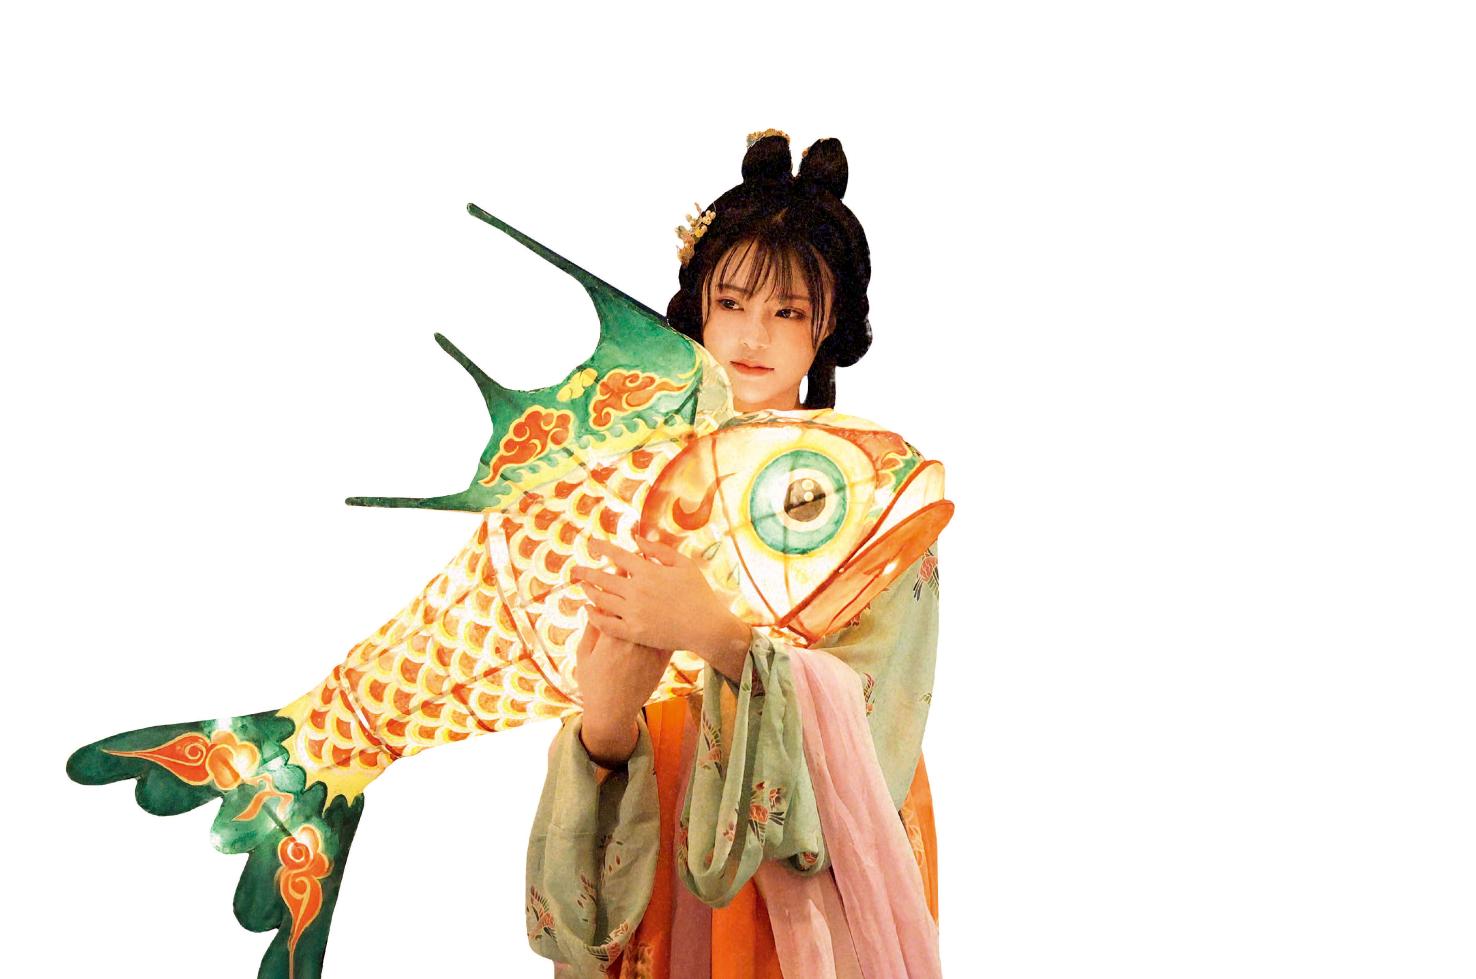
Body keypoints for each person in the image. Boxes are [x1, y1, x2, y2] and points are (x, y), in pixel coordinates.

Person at [525, 130, 943, 978]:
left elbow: (878, 717)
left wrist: (717, 636)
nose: (754, 334)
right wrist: (604, 726)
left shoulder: (873, 483)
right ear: (699, 310)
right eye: (732, 303)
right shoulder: (636, 472)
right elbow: (590, 667)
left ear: (829, 324)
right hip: (662, 794)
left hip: (805, 842)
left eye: (787, 311)